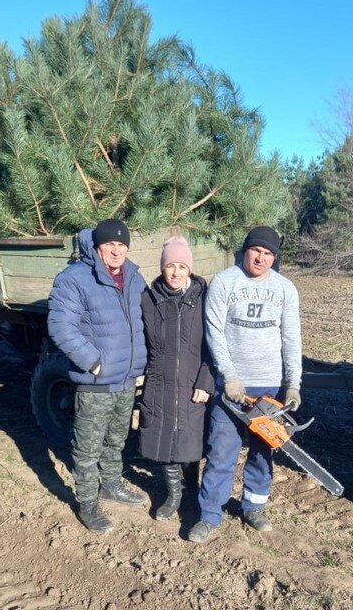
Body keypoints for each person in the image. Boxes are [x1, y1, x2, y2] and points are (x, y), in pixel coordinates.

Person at [188, 226, 302, 543]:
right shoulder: (225, 282)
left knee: (262, 453)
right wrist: (230, 375)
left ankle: (254, 507)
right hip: (232, 389)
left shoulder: (285, 289)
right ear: (245, 251)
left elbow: (292, 339)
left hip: (270, 388)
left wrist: (293, 384)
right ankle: (209, 516)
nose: (261, 258)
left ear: (274, 258)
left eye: (267, 254)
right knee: (221, 452)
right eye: (256, 251)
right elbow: (215, 333)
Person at [47, 218, 149, 533]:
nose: (116, 251)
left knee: (117, 438)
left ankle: (112, 484)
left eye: (121, 245)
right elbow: (61, 327)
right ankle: (88, 503)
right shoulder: (76, 278)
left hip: (127, 378)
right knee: (88, 445)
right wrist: (93, 362)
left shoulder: (134, 276)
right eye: (110, 245)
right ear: (98, 246)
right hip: (97, 381)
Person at [138, 236, 214, 521]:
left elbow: (214, 346)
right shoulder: (149, 299)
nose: (176, 272)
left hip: (195, 382)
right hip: (160, 381)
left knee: (191, 441)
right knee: (165, 442)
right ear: (162, 268)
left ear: (190, 269)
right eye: (170, 266)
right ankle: (173, 494)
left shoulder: (203, 297)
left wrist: (206, 383)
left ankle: (191, 492)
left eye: (182, 266)